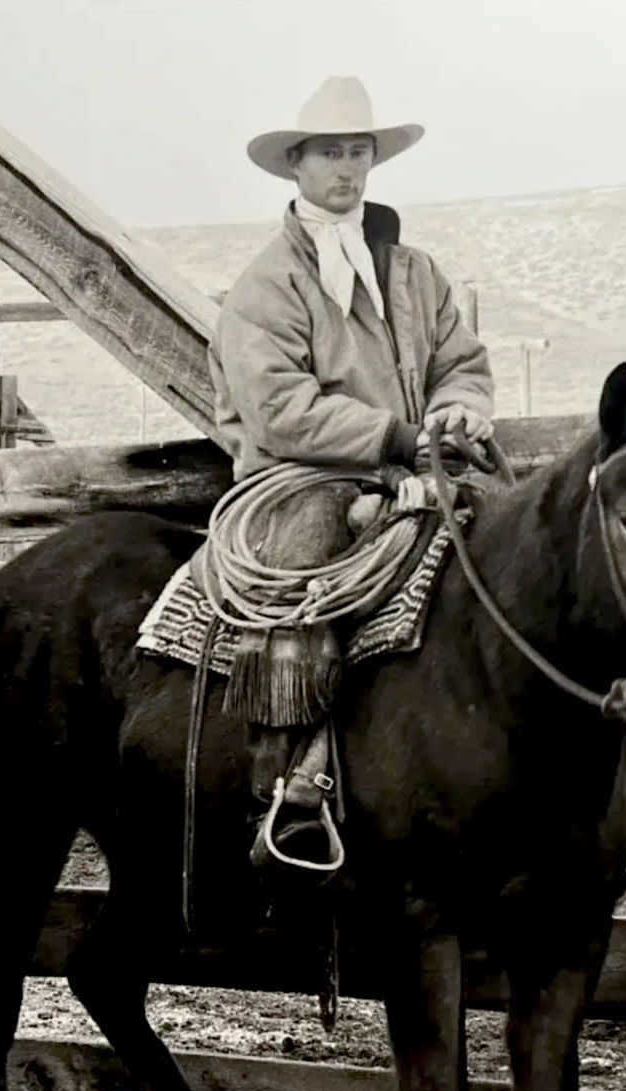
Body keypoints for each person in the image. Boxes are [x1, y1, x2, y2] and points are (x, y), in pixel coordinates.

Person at [205, 77, 499, 849]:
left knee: (514, 551)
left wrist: (458, 408)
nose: (347, 168)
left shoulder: (415, 273)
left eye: (359, 152)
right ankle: (285, 784)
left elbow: (461, 362)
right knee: (303, 585)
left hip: (412, 467)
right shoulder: (266, 286)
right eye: (330, 153)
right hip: (300, 477)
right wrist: (397, 438)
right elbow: (279, 410)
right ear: (296, 164)